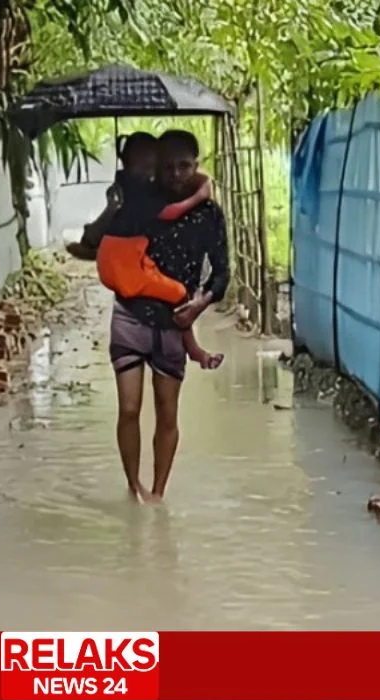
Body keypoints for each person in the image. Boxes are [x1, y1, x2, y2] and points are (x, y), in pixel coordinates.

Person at [107, 130, 229, 502]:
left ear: (196, 165)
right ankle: (133, 486)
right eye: (168, 167)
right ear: (157, 168)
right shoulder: (140, 203)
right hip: (130, 316)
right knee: (129, 409)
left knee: (167, 413)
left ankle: (158, 494)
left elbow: (222, 272)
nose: (176, 174)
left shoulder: (209, 214)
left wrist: (200, 304)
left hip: (176, 321)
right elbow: (107, 243)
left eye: (184, 166)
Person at [66, 132, 223, 370]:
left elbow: (222, 271)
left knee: (178, 295)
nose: (146, 174)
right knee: (177, 293)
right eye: (138, 167)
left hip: (147, 286)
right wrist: (112, 208)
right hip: (131, 300)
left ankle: (193, 349)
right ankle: (195, 350)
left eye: (151, 167)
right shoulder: (134, 197)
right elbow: (92, 240)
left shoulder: (202, 211)